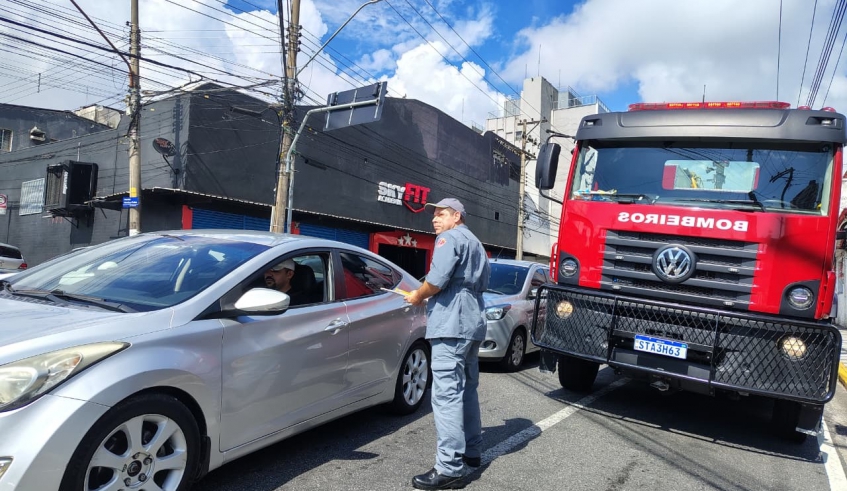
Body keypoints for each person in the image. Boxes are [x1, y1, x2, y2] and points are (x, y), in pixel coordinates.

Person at [404, 198, 490, 490]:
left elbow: (437, 280)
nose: (434, 220)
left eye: (440, 214)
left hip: (451, 319)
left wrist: (417, 295)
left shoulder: (448, 238)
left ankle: (450, 467)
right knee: (467, 389)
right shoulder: (476, 243)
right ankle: (472, 451)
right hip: (473, 318)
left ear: (456, 216)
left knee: (446, 395)